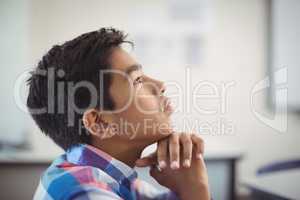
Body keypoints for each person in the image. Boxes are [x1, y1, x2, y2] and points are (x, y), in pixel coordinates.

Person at [27, 27, 210, 200]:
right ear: (99, 122)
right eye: (137, 80)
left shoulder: (118, 180)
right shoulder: (85, 192)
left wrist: (190, 185)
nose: (161, 85)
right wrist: (198, 188)